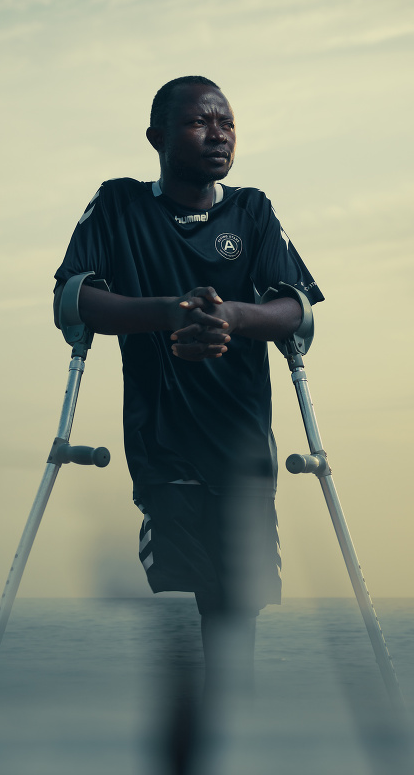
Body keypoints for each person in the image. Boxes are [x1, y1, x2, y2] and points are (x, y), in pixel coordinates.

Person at [53, 76, 324, 686]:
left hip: (243, 445)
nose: (218, 134)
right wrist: (170, 311)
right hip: (166, 440)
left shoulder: (251, 211)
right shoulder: (121, 205)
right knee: (178, 602)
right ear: (157, 136)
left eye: (227, 123)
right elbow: (74, 298)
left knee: (236, 615)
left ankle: (232, 735)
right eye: (200, 122)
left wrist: (230, 315)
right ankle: (179, 738)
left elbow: (297, 309)